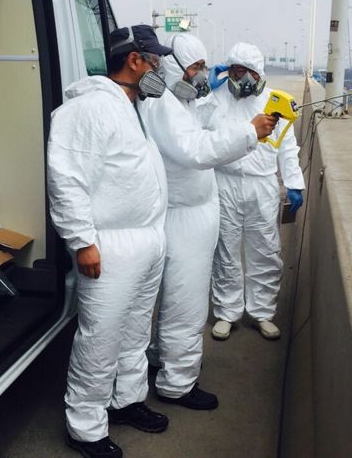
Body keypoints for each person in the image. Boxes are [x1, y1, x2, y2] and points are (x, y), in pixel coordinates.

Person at [47, 25, 172, 458]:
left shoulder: (132, 106)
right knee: (100, 338)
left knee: (135, 332)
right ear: (134, 60)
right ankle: (85, 427)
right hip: (110, 245)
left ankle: (126, 400)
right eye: (155, 60)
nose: (160, 69)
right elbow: (67, 177)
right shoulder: (90, 109)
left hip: (146, 240)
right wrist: (82, 241)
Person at [139, 34, 277, 410]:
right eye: (196, 67)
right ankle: (178, 383)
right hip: (184, 217)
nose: (203, 75)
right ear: (173, 68)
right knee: (187, 305)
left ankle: (162, 360)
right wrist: (249, 132)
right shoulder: (165, 105)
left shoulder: (178, 100)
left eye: (204, 66)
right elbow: (196, 149)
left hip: (190, 211)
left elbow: (197, 128)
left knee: (177, 300)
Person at [198, 42, 305, 341]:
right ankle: (227, 312)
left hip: (262, 185)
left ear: (260, 73)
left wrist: (294, 182)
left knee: (265, 250)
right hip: (223, 182)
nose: (242, 78)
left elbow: (288, 146)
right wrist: (206, 91)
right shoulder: (215, 98)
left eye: (249, 72)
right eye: (236, 70)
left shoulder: (274, 102)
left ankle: (262, 312)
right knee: (225, 251)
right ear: (228, 70)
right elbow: (194, 129)